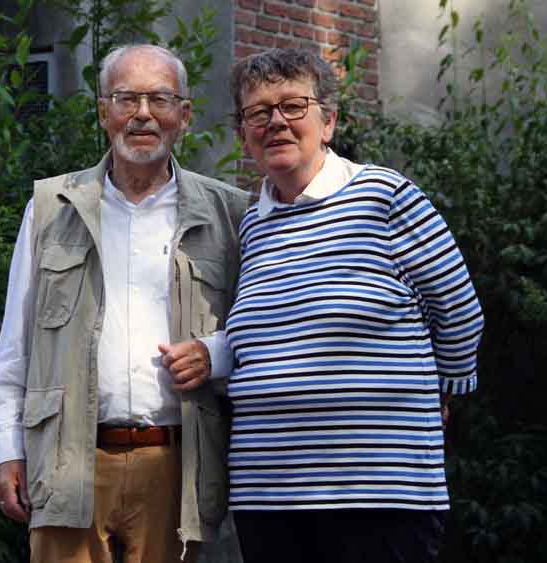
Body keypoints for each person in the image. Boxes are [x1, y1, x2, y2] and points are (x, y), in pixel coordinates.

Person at [193, 48, 483, 562]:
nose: (275, 121)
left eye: (293, 106)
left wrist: (443, 394)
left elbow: (459, 310)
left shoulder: (386, 197)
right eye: (257, 112)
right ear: (243, 136)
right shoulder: (252, 225)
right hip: (270, 496)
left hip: (380, 492)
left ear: (328, 122)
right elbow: (255, 338)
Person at [0, 44, 252, 563]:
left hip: (177, 464)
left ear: (184, 116)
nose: (143, 114)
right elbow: (16, 343)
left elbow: (264, 331)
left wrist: (218, 352)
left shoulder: (229, 214)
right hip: (66, 461)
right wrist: (6, 448)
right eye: (126, 98)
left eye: (160, 99)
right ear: (103, 112)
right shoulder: (52, 207)